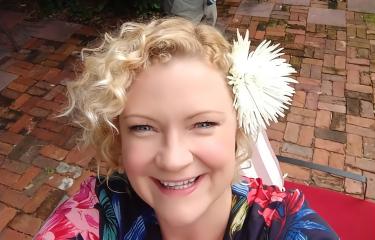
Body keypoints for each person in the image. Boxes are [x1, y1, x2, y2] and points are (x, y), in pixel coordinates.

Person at [34, 18, 339, 240]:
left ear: (238, 130)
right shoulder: (90, 221)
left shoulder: (283, 227)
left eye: (203, 124)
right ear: (117, 138)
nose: (173, 159)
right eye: (143, 127)